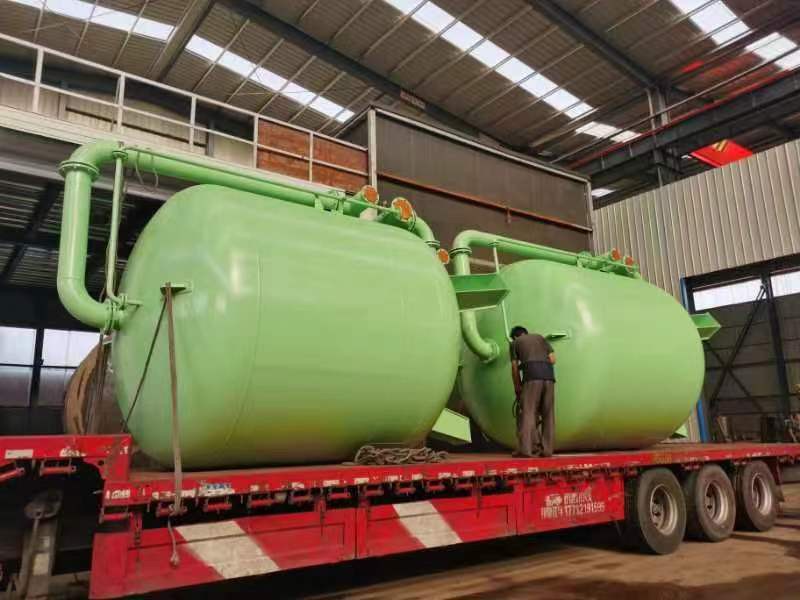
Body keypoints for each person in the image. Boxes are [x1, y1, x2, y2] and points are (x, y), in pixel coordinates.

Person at [509, 325, 556, 458]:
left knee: (528, 413)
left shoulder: (514, 343)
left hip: (532, 377)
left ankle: (526, 450)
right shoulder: (541, 338)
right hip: (549, 377)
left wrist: (517, 386)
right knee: (548, 414)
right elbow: (553, 360)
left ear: (515, 337)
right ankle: (547, 450)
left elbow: (514, 368)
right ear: (526, 333)